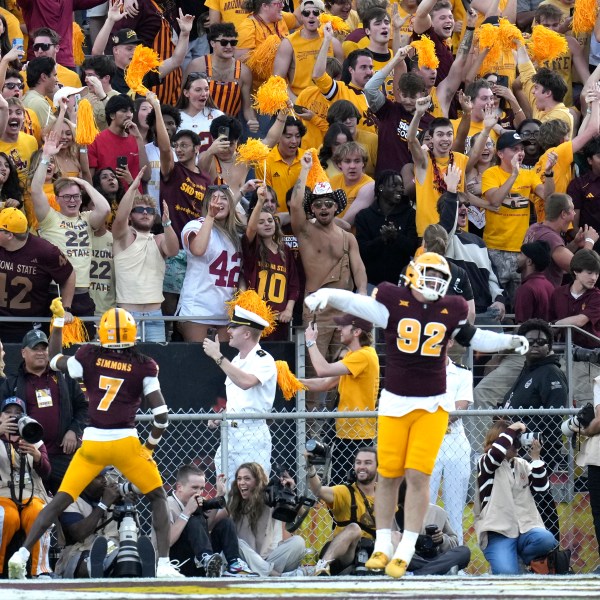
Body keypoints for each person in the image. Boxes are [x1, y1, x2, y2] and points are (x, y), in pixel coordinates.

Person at [304, 251, 529, 578]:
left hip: (433, 404)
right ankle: (383, 544)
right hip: (395, 402)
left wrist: (507, 341)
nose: (434, 283)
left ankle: (406, 545)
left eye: (440, 278)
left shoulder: (450, 308)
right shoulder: (394, 300)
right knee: (390, 475)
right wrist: (327, 294)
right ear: (411, 275)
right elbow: (358, 303)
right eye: (430, 276)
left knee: (418, 477)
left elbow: (473, 337)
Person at [7, 303, 183, 579]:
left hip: (93, 444)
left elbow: (54, 358)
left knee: (59, 502)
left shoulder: (89, 355)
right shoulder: (144, 365)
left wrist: (57, 323)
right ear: (132, 333)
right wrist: (148, 448)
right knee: (158, 497)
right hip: (126, 442)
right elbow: (161, 416)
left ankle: (21, 555)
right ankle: (163, 565)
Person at [290, 153, 368, 422]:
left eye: (329, 204)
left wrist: (362, 297)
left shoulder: (348, 237)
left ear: (337, 207)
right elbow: (294, 204)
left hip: (344, 311)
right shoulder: (305, 231)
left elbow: (359, 271)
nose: (324, 208)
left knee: (342, 372)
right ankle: (310, 434)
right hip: (317, 310)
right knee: (316, 371)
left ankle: (332, 430)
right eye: (319, 204)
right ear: (313, 208)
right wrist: (304, 171)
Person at [32, 132, 111, 325]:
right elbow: (35, 190)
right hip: (53, 290)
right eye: (66, 197)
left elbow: (105, 208)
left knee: (83, 347)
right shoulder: (50, 218)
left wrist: (85, 183)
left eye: (76, 197)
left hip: (82, 293)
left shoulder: (87, 219)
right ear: (57, 199)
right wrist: (46, 157)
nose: (72, 201)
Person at [501, 318, 568, 542]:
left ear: (549, 345)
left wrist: (531, 439)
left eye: (542, 341)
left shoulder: (551, 373)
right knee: (525, 503)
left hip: (540, 451)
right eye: (531, 341)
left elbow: (555, 418)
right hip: (518, 451)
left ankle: (552, 553)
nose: (536, 345)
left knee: (540, 500)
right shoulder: (527, 371)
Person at [0, 329, 88, 495]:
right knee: (31, 507)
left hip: (62, 454)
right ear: (23, 352)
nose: (40, 353)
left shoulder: (64, 377)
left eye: (44, 348)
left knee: (69, 504)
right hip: (27, 455)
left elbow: (84, 407)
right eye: (35, 349)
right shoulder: (11, 383)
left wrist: (74, 431)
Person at [202, 303, 277, 482]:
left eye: (234, 327)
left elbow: (246, 382)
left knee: (253, 492)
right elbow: (240, 400)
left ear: (247, 334)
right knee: (227, 492)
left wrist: (217, 356)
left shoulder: (264, 359)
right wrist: (222, 415)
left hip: (252, 434)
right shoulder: (236, 360)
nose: (229, 330)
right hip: (230, 432)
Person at [301, 315, 379, 484]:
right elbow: (326, 383)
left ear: (357, 331)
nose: (339, 330)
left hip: (357, 437)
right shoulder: (353, 356)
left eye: (343, 327)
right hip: (345, 434)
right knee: (337, 489)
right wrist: (293, 382)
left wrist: (310, 342)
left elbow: (323, 370)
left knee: (345, 491)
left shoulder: (364, 356)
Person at [475, 420, 557, 575]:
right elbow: (496, 454)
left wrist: (536, 458)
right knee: (507, 574)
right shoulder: (485, 462)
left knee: (547, 539)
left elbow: (542, 489)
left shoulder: (521, 464)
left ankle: (517, 558)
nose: (517, 445)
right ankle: (509, 562)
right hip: (498, 533)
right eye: (514, 441)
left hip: (525, 529)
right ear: (502, 440)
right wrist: (513, 428)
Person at [112, 167, 179, 342]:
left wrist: (167, 223)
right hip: (126, 315)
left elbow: (173, 251)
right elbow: (119, 219)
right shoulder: (124, 237)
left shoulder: (159, 238)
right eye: (139, 210)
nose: (145, 213)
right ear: (131, 215)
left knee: (154, 366)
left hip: (155, 315)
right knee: (125, 366)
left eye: (150, 211)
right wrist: (133, 187)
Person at [177, 185, 244, 342]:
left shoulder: (238, 234)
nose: (218, 202)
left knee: (223, 364)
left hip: (226, 312)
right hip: (197, 309)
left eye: (224, 198)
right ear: (207, 203)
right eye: (214, 198)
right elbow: (198, 249)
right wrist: (210, 217)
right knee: (200, 361)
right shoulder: (195, 225)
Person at [0, 207, 75, 343]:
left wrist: (66, 308)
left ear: (9, 235)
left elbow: (69, 274)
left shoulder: (45, 251)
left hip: (28, 324)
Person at [168, 464, 258, 577]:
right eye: (194, 488)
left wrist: (219, 495)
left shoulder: (197, 501)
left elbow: (207, 527)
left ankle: (234, 565)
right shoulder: (168, 505)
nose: (199, 493)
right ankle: (207, 559)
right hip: (178, 563)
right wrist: (187, 513)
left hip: (201, 560)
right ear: (179, 487)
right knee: (192, 520)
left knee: (226, 523)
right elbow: (166, 542)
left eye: (202, 488)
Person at [307, 447, 383, 575]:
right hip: (348, 556)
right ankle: (322, 566)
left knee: (395, 534)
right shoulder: (345, 491)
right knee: (354, 528)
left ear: (378, 468)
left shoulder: (385, 495)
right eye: (358, 463)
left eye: (368, 463)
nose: (362, 466)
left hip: (375, 554)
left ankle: (406, 568)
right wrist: (310, 468)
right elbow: (318, 491)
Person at [223, 462, 307, 576]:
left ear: (257, 481)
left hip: (270, 559)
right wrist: (219, 494)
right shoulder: (234, 502)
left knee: (298, 542)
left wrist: (289, 492)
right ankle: (276, 575)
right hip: (244, 562)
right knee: (235, 542)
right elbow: (215, 525)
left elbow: (302, 514)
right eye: (239, 479)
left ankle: (263, 572)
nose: (242, 482)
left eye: (247, 478)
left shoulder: (270, 498)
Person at [0, 396, 52, 578]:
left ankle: (40, 571)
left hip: (32, 495)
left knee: (39, 514)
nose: (13, 416)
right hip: (3, 496)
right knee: (5, 517)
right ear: (1, 416)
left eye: (18, 413)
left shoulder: (34, 436)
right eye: (8, 412)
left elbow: (47, 472)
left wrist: (37, 456)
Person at [242, 184, 300, 340]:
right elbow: (250, 230)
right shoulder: (251, 249)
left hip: (280, 321)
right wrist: (260, 202)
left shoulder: (285, 250)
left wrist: (288, 310)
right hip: (255, 319)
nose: (267, 224)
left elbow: (293, 284)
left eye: (269, 220)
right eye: (261, 222)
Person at [429, 341, 472, 545]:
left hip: (455, 443)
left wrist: (434, 417)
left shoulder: (462, 373)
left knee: (455, 509)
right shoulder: (418, 371)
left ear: (452, 341)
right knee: (423, 507)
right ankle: (422, 560)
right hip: (427, 443)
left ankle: (456, 560)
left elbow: (461, 406)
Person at [184, 23, 258, 132]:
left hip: (228, 130)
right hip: (197, 127)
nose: (229, 47)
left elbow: (247, 106)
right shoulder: (197, 66)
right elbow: (183, 97)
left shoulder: (244, 72)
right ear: (212, 43)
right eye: (224, 42)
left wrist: (252, 120)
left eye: (233, 43)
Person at [54, 470, 121, 578]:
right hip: (77, 553)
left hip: (108, 547)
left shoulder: (109, 494)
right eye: (98, 477)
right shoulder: (69, 499)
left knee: (121, 558)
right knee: (87, 565)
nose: (104, 480)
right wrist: (104, 504)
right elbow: (79, 533)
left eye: (104, 476)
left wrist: (123, 503)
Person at [523, 193, 598, 288]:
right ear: (563, 214)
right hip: (545, 297)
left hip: (533, 292)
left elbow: (555, 256)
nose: (574, 214)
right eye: (572, 210)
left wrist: (575, 243)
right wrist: (590, 241)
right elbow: (581, 269)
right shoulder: (550, 237)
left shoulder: (534, 227)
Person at [395, 480, 471, 575]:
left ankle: (418, 574)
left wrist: (442, 539)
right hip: (410, 558)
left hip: (434, 556)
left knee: (464, 552)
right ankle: (439, 569)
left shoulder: (437, 512)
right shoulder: (392, 512)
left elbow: (454, 543)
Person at [88, 94, 150, 185]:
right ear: (112, 115)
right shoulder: (96, 140)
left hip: (134, 197)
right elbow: (90, 179)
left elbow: (146, 176)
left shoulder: (136, 139)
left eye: (131, 111)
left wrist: (139, 138)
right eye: (124, 111)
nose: (129, 115)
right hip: (108, 198)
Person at [514, 240, 555, 323]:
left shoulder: (526, 289)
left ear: (529, 261)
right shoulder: (549, 285)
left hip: (530, 335)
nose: (517, 257)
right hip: (547, 335)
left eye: (521, 254)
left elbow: (521, 325)